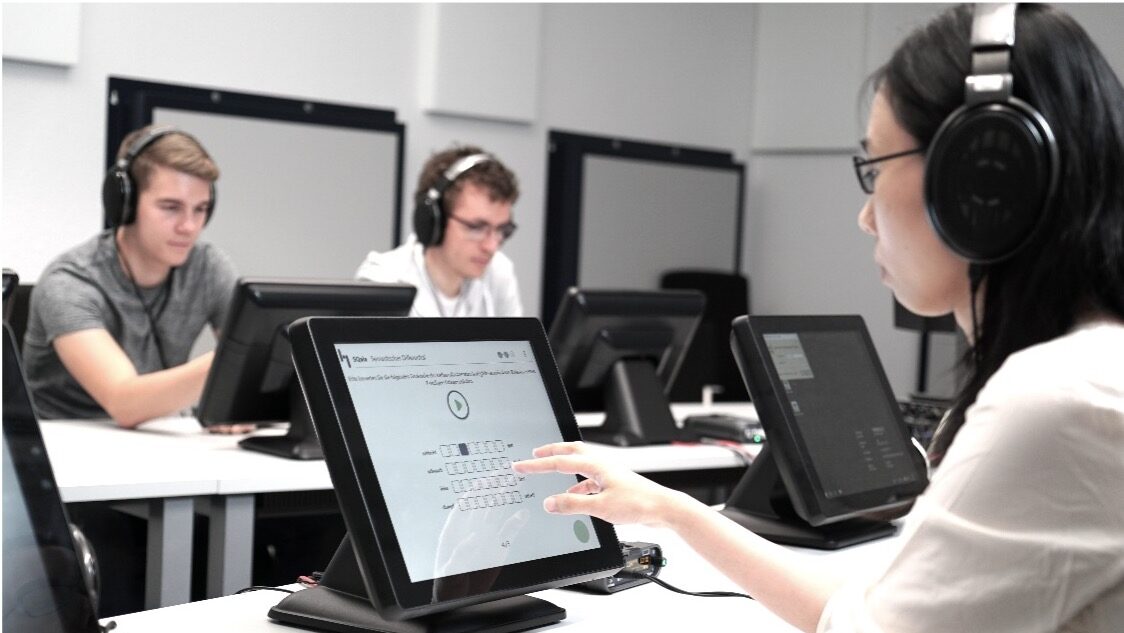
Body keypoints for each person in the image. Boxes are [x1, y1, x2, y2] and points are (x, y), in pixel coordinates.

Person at [514, 5, 1124, 632]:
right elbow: (879, 605)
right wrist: (674, 511)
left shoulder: (1058, 402)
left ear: (981, 182)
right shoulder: (1088, 372)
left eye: (875, 169)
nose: (865, 217)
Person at [23, 125, 247, 432]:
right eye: (171, 208)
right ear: (124, 203)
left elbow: (257, 380)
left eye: (200, 209)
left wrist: (236, 406)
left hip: (160, 438)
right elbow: (123, 402)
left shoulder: (207, 266)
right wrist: (233, 362)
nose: (189, 226)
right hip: (67, 450)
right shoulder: (68, 282)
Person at [355, 144, 523, 316]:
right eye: (476, 228)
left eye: (503, 230)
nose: (491, 247)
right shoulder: (384, 280)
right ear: (434, 220)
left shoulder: (499, 273)